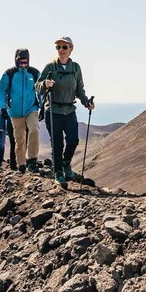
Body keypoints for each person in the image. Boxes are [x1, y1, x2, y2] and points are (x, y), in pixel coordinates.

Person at [37, 36, 94, 188]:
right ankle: (58, 173)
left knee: (73, 140)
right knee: (57, 144)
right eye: (58, 47)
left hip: (69, 110)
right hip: (53, 111)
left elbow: (79, 89)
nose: (61, 50)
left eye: (64, 47)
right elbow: (37, 86)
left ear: (70, 49)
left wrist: (86, 102)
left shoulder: (76, 68)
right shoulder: (50, 67)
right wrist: (45, 84)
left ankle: (66, 165)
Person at [0, 49, 41, 174]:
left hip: (31, 109)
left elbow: (41, 90)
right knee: (19, 139)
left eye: (25, 62)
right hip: (15, 112)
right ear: (16, 61)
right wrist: (2, 107)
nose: (23, 65)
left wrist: (42, 106)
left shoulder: (34, 73)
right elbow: (0, 90)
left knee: (34, 130)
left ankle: (32, 160)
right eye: (20, 63)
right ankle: (21, 164)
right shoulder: (9, 74)